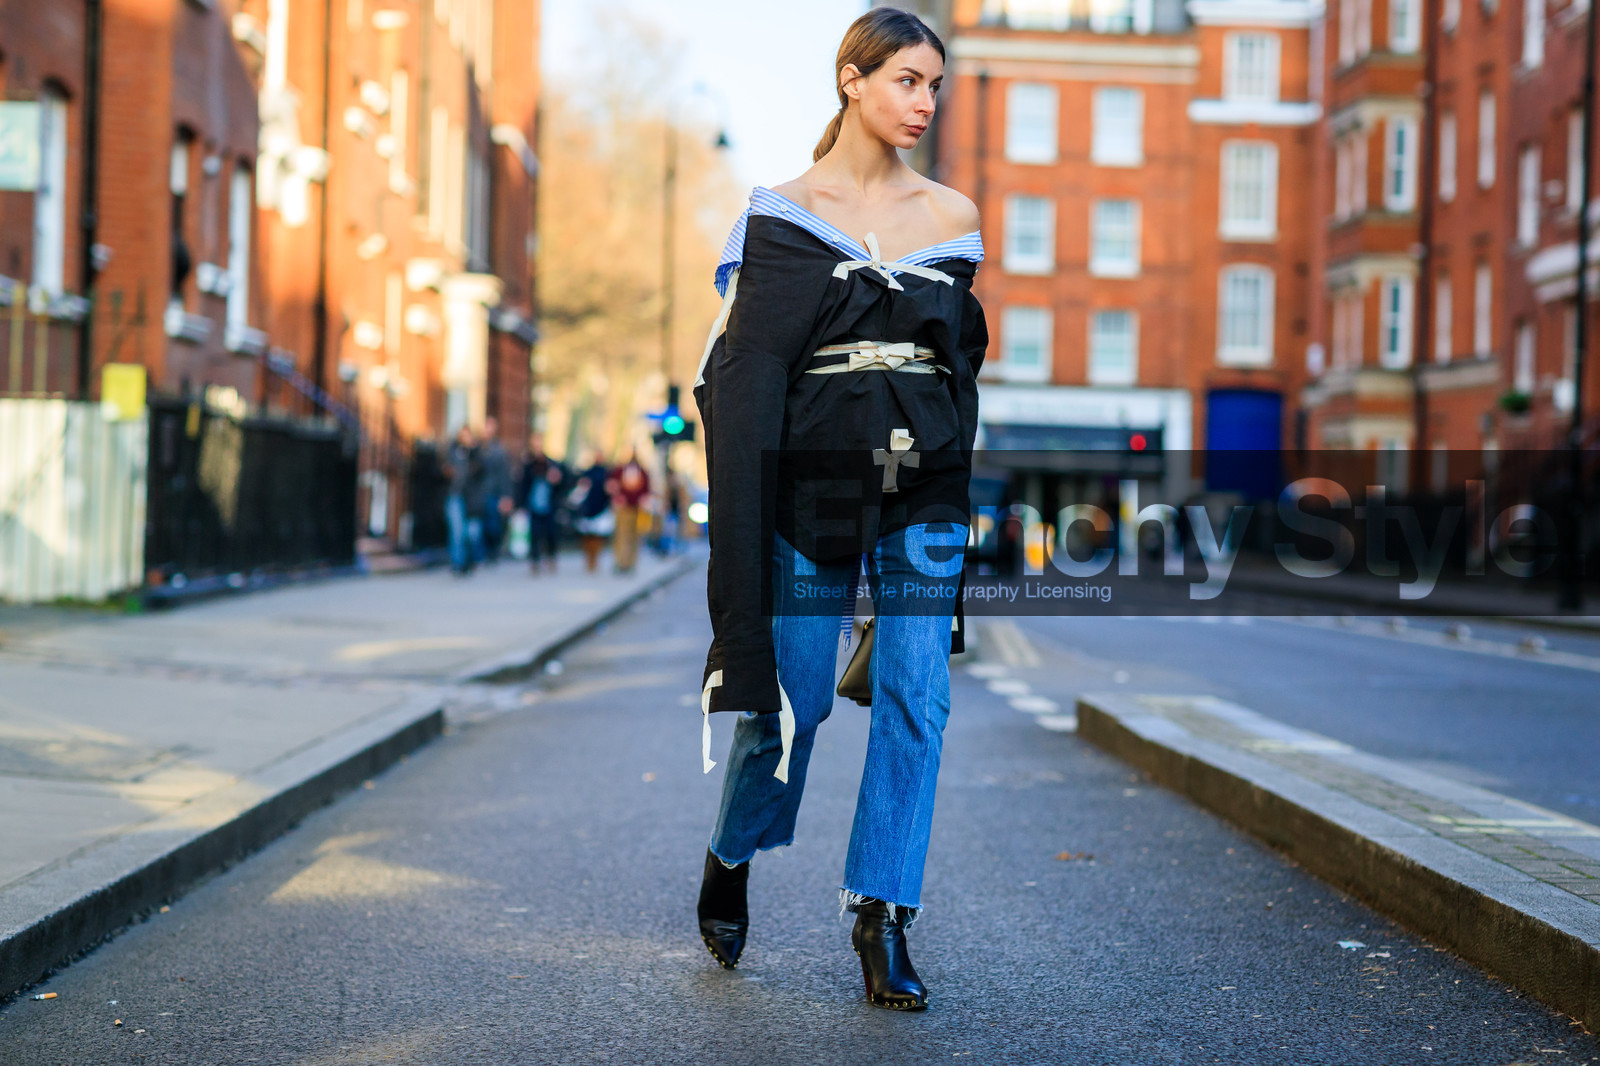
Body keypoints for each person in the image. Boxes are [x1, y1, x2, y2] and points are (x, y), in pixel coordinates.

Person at [692, 8, 986, 1013]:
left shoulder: (952, 217)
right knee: (795, 705)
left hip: (924, 487)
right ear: (852, 81)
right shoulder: (779, 216)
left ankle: (882, 914)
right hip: (805, 489)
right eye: (907, 80)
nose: (924, 103)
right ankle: (732, 850)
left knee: (917, 695)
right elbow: (746, 387)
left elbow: (961, 366)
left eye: (935, 86)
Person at [516, 432, 567, 574]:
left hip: (549, 505)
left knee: (550, 533)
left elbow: (563, 481)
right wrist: (520, 504)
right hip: (534, 505)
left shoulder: (551, 464)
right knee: (535, 534)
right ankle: (535, 561)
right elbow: (522, 485)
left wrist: (557, 480)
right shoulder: (528, 465)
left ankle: (551, 558)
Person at [443, 425, 487, 576]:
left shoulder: (475, 453)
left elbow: (482, 471)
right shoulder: (452, 451)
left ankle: (470, 561)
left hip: (471, 499)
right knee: (456, 531)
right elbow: (443, 469)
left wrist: (473, 451)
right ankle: (457, 563)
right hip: (455, 495)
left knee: (470, 533)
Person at [568, 450, 615, 573]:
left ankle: (595, 560)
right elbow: (580, 488)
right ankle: (588, 559)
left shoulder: (607, 473)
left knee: (598, 536)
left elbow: (611, 490)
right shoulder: (588, 472)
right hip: (588, 508)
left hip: (601, 507)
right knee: (587, 535)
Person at [478, 416, 515, 564]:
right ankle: (480, 554)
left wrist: (506, 496)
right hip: (478, 493)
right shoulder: (477, 448)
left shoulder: (499, 450)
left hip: (494, 493)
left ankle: (492, 551)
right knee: (479, 525)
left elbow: (505, 475)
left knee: (493, 525)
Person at [608, 449, 651, 574]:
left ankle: (631, 563)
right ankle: (620, 562)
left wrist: (644, 500)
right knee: (621, 535)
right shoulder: (619, 471)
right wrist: (616, 496)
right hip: (623, 508)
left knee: (635, 537)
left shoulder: (643, 472)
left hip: (638, 509)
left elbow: (647, 490)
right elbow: (611, 485)